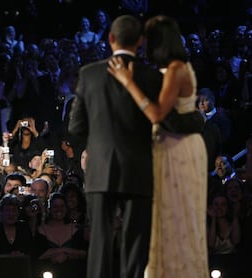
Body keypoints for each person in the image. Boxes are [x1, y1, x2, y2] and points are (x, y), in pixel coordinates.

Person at [107, 15, 209, 277]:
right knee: (166, 216)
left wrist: (127, 81)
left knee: (178, 216)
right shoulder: (174, 67)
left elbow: (157, 114)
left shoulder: (176, 69)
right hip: (169, 146)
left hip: (178, 150)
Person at [68, 14, 163, 278]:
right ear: (140, 42)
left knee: (99, 241)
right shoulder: (152, 77)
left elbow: (76, 127)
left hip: (101, 167)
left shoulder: (89, 74)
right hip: (139, 170)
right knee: (135, 244)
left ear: (110, 38)